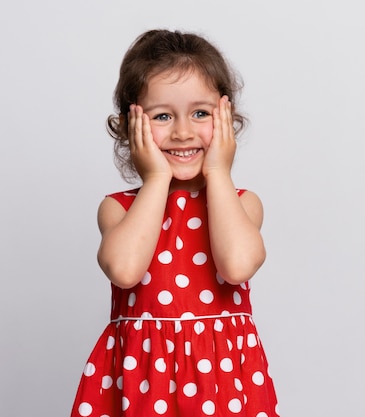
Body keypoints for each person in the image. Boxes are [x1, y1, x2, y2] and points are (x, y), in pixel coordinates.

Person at [70, 29, 280, 417]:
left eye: (201, 114)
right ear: (131, 125)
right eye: (163, 116)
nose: (183, 132)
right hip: (142, 382)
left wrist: (218, 170)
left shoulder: (241, 203)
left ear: (226, 117)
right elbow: (124, 269)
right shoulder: (118, 209)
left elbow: (236, 266)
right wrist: (155, 179)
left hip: (222, 382)